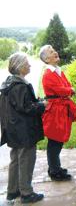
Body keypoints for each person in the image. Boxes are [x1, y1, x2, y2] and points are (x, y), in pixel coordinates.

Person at [0, 53, 46, 204]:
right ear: (20, 67)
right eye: (27, 63)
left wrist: (35, 102)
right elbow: (27, 108)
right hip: (24, 130)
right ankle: (26, 193)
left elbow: (18, 105)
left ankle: (13, 191)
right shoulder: (19, 86)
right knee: (26, 160)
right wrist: (41, 105)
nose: (30, 65)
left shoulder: (8, 84)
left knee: (15, 161)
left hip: (13, 129)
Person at [39, 45, 76, 181]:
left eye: (54, 50)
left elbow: (66, 86)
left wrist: (68, 89)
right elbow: (63, 89)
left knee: (58, 140)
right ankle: (54, 171)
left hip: (60, 109)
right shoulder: (48, 74)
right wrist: (69, 90)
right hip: (55, 111)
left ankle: (55, 167)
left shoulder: (58, 71)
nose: (55, 52)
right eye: (51, 52)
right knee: (55, 140)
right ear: (46, 58)